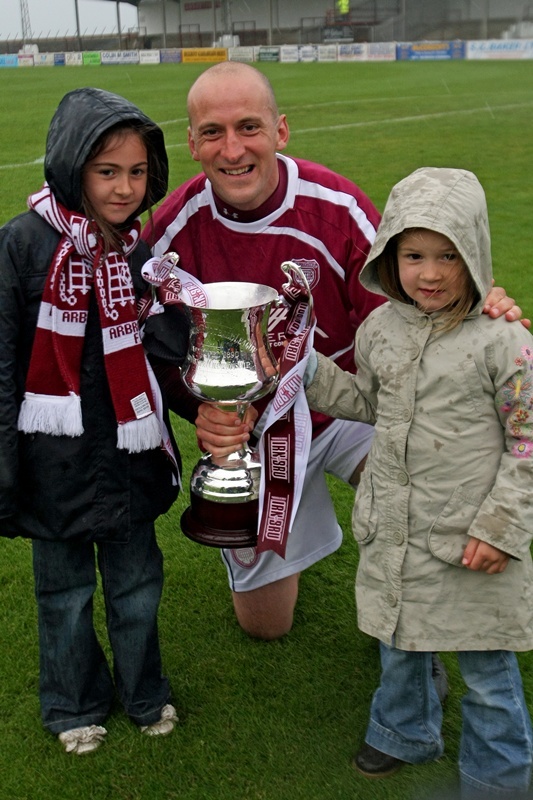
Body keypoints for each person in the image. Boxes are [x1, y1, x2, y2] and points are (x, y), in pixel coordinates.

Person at [145, 61, 526, 642]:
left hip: (348, 405)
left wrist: (475, 310)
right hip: (258, 431)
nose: (233, 149)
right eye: (214, 132)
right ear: (192, 143)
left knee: (427, 471)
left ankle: (415, 636)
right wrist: (204, 410)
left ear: (281, 131)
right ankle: (288, 518)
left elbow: (410, 309)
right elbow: (150, 341)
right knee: (266, 626)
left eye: (249, 126)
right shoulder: (173, 228)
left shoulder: (338, 207)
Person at [304, 167, 533, 796]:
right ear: (389, 255)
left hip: (472, 536)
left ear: (475, 252)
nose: (429, 273)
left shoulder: (503, 340)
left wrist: (502, 529)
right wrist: (301, 364)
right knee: (398, 638)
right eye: (413, 255)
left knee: (486, 663)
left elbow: (528, 443)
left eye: (447, 256)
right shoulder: (380, 329)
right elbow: (367, 402)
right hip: (398, 525)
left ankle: (499, 775)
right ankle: (402, 731)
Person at [0, 88, 184, 754]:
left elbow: (167, 357)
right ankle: (72, 702)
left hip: (130, 458)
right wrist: (6, 467)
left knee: (137, 586)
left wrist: (166, 311)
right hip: (53, 465)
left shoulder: (142, 252)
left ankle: (143, 691)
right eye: (107, 172)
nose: (124, 187)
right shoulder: (22, 245)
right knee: (64, 593)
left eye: (137, 172)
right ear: (72, 166)